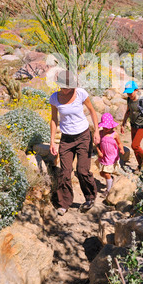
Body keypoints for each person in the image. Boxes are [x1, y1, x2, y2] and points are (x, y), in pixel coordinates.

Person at [49, 70, 100, 216]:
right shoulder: (54, 98)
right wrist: (53, 141)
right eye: (65, 87)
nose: (68, 90)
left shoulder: (81, 93)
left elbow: (92, 111)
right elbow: (54, 119)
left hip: (84, 136)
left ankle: (90, 198)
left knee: (82, 171)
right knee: (64, 172)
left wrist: (96, 131)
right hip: (66, 138)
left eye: (70, 87)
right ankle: (64, 203)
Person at [120, 80, 143, 172]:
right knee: (135, 148)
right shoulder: (129, 100)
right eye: (127, 93)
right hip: (133, 125)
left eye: (131, 93)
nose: (129, 95)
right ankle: (140, 166)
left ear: (136, 90)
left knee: (134, 145)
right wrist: (123, 124)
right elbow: (128, 112)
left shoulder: (142, 101)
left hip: (142, 126)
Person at [96, 113, 125, 196]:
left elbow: (119, 143)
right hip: (103, 156)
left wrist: (121, 149)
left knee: (106, 173)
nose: (106, 129)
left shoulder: (114, 134)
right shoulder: (101, 133)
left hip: (111, 157)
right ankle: (110, 179)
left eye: (107, 127)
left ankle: (108, 190)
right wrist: (98, 151)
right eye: (104, 127)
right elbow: (97, 144)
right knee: (102, 173)